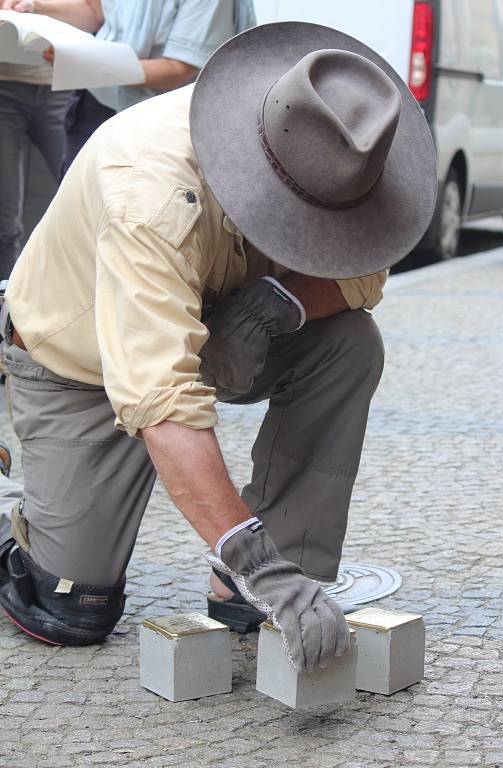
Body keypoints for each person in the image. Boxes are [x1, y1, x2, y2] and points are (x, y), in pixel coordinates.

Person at [0, 23, 436, 672]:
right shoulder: (150, 189)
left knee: (348, 344)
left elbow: (365, 268)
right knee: (68, 608)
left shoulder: (344, 140)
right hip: (77, 367)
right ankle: (22, 516)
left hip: (211, 328)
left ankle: (268, 588)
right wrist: (252, 554)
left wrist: (274, 307)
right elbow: (162, 396)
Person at [2, 0, 256, 175]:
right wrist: (35, 7)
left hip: (156, 125)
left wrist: (88, 64)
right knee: (77, 216)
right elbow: (97, 11)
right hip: (93, 106)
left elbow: (178, 70)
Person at [0, 58, 70, 278]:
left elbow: (98, 21)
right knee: (5, 221)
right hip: (5, 87)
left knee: (90, 196)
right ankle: (8, 303)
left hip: (64, 87)